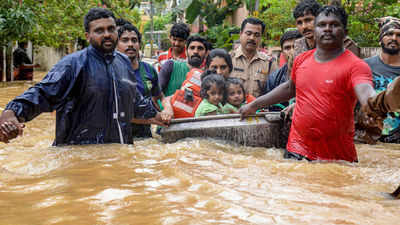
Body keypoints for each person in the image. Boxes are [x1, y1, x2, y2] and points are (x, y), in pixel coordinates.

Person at [0, 8, 168, 145]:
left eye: (111, 29)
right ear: (88, 36)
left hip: (119, 155)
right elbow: (42, 93)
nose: (107, 34)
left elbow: (135, 102)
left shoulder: (123, 63)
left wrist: (158, 116)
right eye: (99, 31)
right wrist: (11, 113)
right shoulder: (73, 65)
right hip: (79, 157)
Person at [239, 5, 385, 162]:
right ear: (315, 31)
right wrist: (254, 105)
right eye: (322, 25)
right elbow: (290, 87)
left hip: (336, 158)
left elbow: (366, 92)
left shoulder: (356, 65)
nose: (327, 29)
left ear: (345, 32)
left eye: (334, 25)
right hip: (296, 149)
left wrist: (376, 105)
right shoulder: (301, 59)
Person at [116, 23, 167, 138]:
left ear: (139, 45)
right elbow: (116, 112)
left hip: (145, 136)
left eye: (134, 40)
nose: (130, 44)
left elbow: (160, 97)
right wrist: (153, 119)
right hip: (119, 136)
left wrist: (167, 109)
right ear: (116, 45)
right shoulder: (110, 72)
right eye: (125, 40)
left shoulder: (148, 69)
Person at [160, 49, 232, 119]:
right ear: (207, 68)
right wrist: (168, 109)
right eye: (214, 67)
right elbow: (167, 99)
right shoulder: (201, 84)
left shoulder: (235, 87)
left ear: (230, 68)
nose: (218, 72)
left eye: (223, 67)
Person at [361, 16, 400, 143]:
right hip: (369, 137)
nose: (394, 38)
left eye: (399, 35)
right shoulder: (363, 66)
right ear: (380, 38)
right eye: (389, 34)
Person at [293, 0, 360, 58]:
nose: (304, 26)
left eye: (308, 20)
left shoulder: (343, 43)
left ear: (319, 19)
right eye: (299, 23)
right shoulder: (298, 45)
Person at [230, 17, 277, 98]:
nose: (252, 38)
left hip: (259, 109)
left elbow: (275, 91)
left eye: (256, 35)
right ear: (240, 34)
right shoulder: (228, 59)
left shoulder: (269, 63)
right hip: (232, 110)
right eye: (248, 33)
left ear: (261, 38)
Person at [263, 30, 302, 111]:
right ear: (282, 52)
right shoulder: (274, 78)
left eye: (295, 47)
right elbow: (270, 108)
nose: (292, 51)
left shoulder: (315, 71)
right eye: (287, 48)